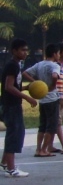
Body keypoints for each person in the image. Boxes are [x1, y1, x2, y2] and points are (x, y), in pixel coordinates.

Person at [2, 38, 35, 177]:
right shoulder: (12, 65)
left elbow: (14, 85)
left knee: (16, 133)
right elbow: (8, 86)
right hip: (11, 105)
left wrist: (27, 88)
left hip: (12, 104)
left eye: (26, 50)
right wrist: (26, 97)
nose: (25, 52)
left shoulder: (16, 64)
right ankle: (11, 169)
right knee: (14, 134)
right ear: (14, 51)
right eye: (22, 50)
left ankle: (4, 163)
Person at [23, 43, 61, 158]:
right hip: (52, 98)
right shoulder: (55, 66)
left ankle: (38, 149)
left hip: (42, 99)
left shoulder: (39, 64)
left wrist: (36, 82)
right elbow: (55, 76)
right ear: (54, 54)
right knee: (52, 126)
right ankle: (44, 150)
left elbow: (25, 73)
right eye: (58, 53)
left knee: (42, 125)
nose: (59, 55)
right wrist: (52, 86)